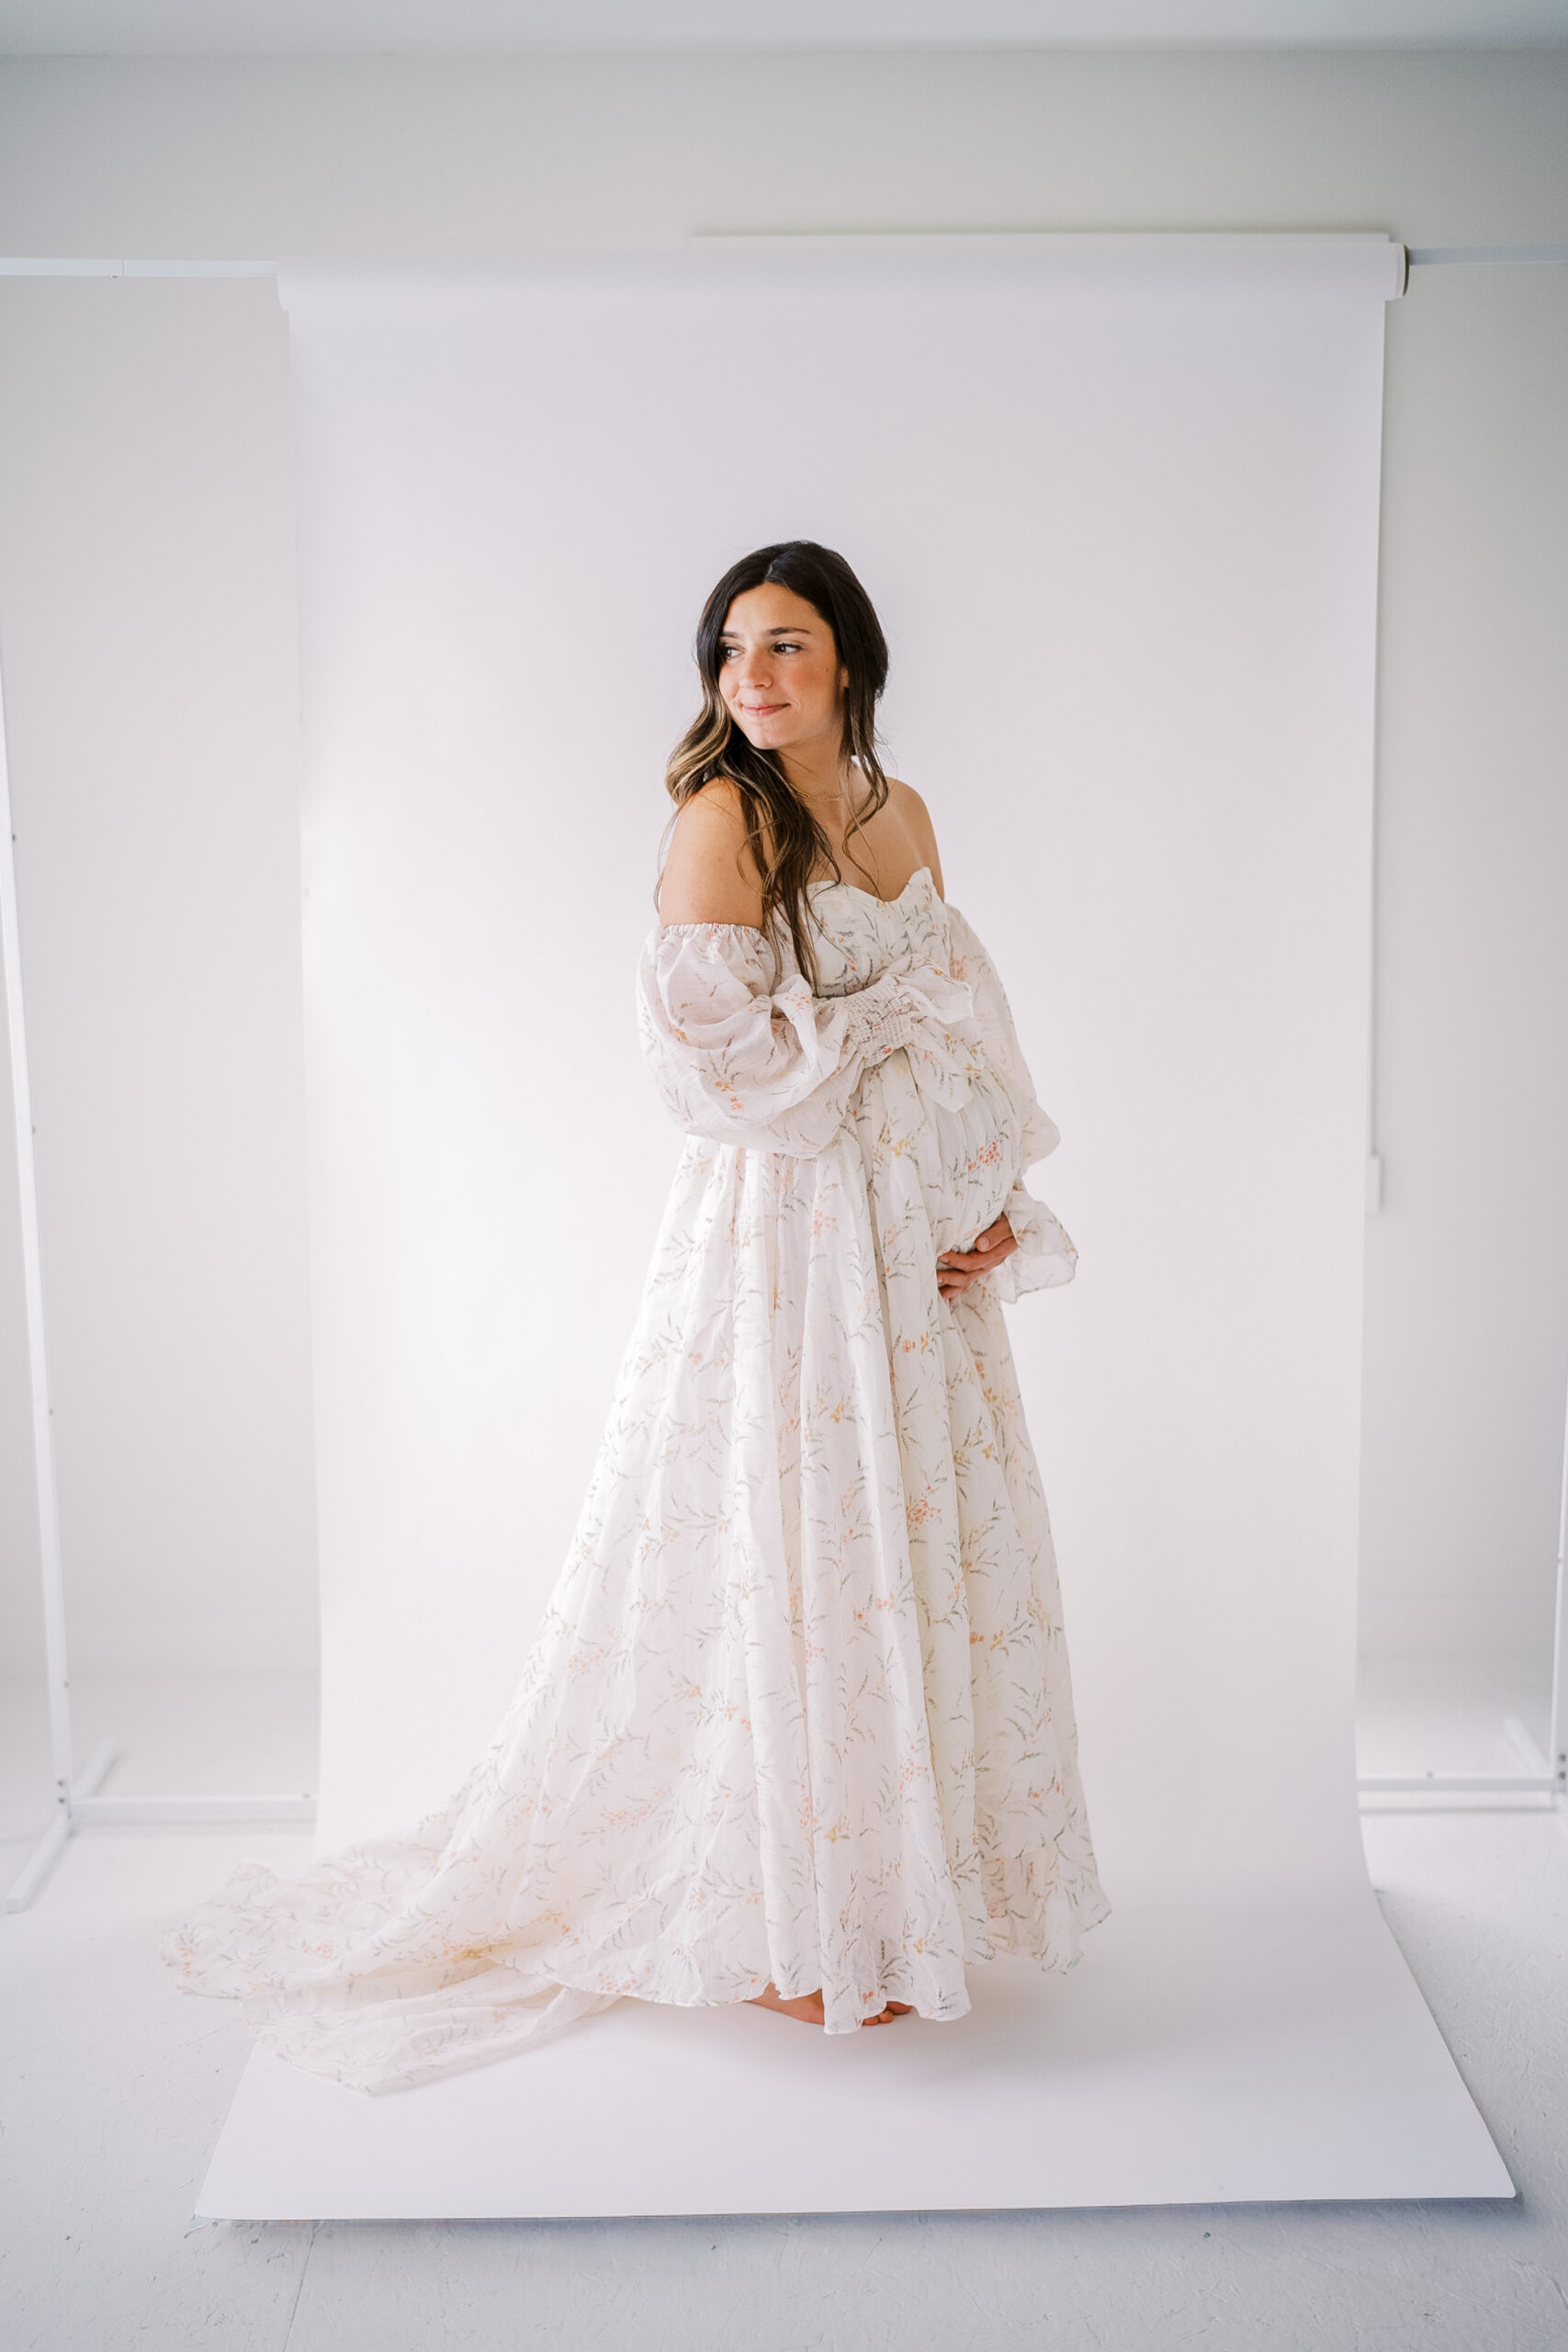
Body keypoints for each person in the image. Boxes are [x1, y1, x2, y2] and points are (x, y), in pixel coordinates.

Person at [161, 540, 1109, 2095]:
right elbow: (712, 1069)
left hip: (913, 1252)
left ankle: (882, 1901)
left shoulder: (899, 814)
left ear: (850, 661)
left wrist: (986, 1186)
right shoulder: (720, 818)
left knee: (908, 1549)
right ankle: (785, 1915)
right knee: (801, 1549)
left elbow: (966, 1012)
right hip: (794, 1242)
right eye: (732, 649)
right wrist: (859, 1042)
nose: (752, 675)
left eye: (787, 644)